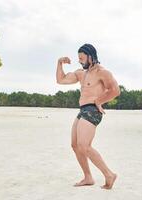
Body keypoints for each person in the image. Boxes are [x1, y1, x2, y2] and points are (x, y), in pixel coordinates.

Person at [56, 43, 120, 189]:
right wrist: (59, 63)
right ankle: (88, 177)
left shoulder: (103, 72)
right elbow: (61, 80)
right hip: (82, 110)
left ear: (91, 57)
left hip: (92, 110)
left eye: (82, 58)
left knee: (84, 145)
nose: (80, 61)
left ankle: (109, 174)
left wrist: (99, 101)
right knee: (75, 145)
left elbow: (115, 90)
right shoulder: (81, 73)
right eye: (79, 58)